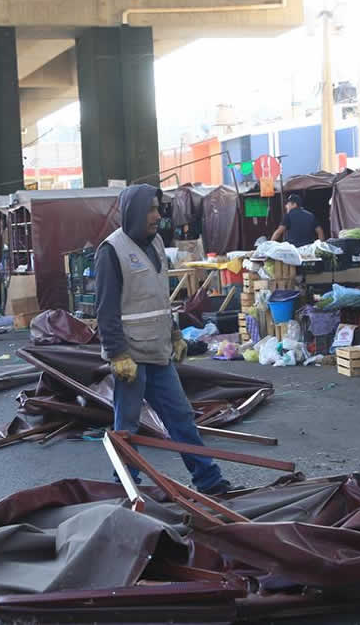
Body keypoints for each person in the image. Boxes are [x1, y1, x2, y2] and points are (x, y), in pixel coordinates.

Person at [94, 184, 232, 495]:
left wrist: (175, 334)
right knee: (127, 427)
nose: (158, 216)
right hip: (130, 356)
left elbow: (161, 298)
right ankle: (126, 489)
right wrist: (117, 354)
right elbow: (106, 310)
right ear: (134, 212)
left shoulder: (156, 243)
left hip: (158, 351)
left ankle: (209, 481)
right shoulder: (111, 251)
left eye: (158, 208)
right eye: (152, 210)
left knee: (181, 416)